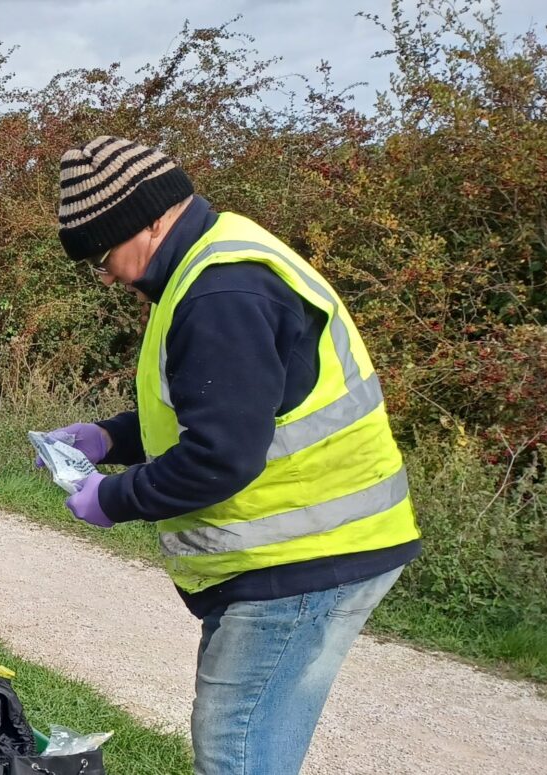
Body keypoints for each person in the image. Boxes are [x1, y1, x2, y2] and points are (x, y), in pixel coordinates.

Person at [46, 137, 420, 775]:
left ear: (153, 219)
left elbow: (220, 457)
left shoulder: (220, 294)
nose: (107, 275)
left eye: (106, 254)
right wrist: (111, 438)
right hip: (311, 549)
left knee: (237, 750)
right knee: (251, 743)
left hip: (306, 557)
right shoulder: (217, 261)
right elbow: (225, 410)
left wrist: (111, 497)